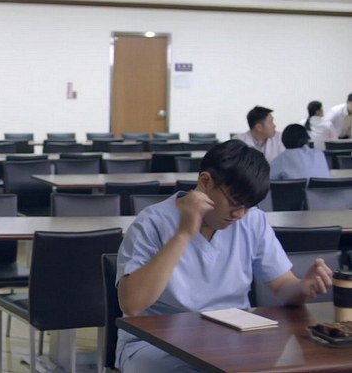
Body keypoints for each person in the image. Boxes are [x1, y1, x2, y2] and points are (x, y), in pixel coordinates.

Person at [115, 140, 333, 372]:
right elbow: (132, 304)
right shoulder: (152, 222)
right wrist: (183, 234)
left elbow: (282, 285)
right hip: (156, 343)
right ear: (205, 182)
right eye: (234, 203)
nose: (239, 215)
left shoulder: (253, 221)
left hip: (232, 339)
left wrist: (303, 287)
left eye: (248, 206)